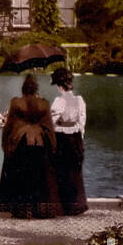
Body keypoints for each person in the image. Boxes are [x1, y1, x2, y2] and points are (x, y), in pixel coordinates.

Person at [0, 74, 62, 219]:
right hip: (39, 142)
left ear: (23, 89)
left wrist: (6, 144)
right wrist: (52, 146)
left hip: (22, 143)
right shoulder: (43, 104)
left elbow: (9, 126)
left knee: (22, 178)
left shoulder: (16, 103)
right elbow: (49, 126)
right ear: (36, 89)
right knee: (39, 178)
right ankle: (40, 210)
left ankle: (23, 211)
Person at [49, 66, 88, 216]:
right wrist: (80, 137)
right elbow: (82, 121)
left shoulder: (59, 101)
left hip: (63, 138)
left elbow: (52, 121)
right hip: (76, 137)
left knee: (62, 171)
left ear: (59, 86)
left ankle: (64, 206)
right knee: (75, 172)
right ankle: (77, 205)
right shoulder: (80, 100)